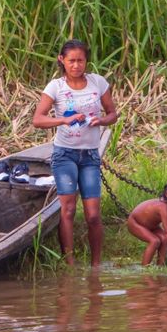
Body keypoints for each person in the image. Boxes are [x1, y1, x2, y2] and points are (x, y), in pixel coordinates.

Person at [32, 39, 118, 266]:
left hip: (89, 155)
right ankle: (69, 263)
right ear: (62, 60)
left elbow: (112, 114)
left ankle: (96, 264)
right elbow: (37, 119)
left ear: (86, 61)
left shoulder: (97, 83)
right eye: (72, 61)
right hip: (65, 155)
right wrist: (64, 119)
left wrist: (102, 120)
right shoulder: (56, 87)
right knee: (68, 210)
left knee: (93, 215)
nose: (77, 65)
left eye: (81, 61)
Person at [126, 175, 167, 266]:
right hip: (135, 223)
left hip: (151, 226)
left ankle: (160, 265)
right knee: (154, 241)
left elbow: (166, 234)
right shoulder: (163, 207)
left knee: (164, 239)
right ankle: (145, 268)